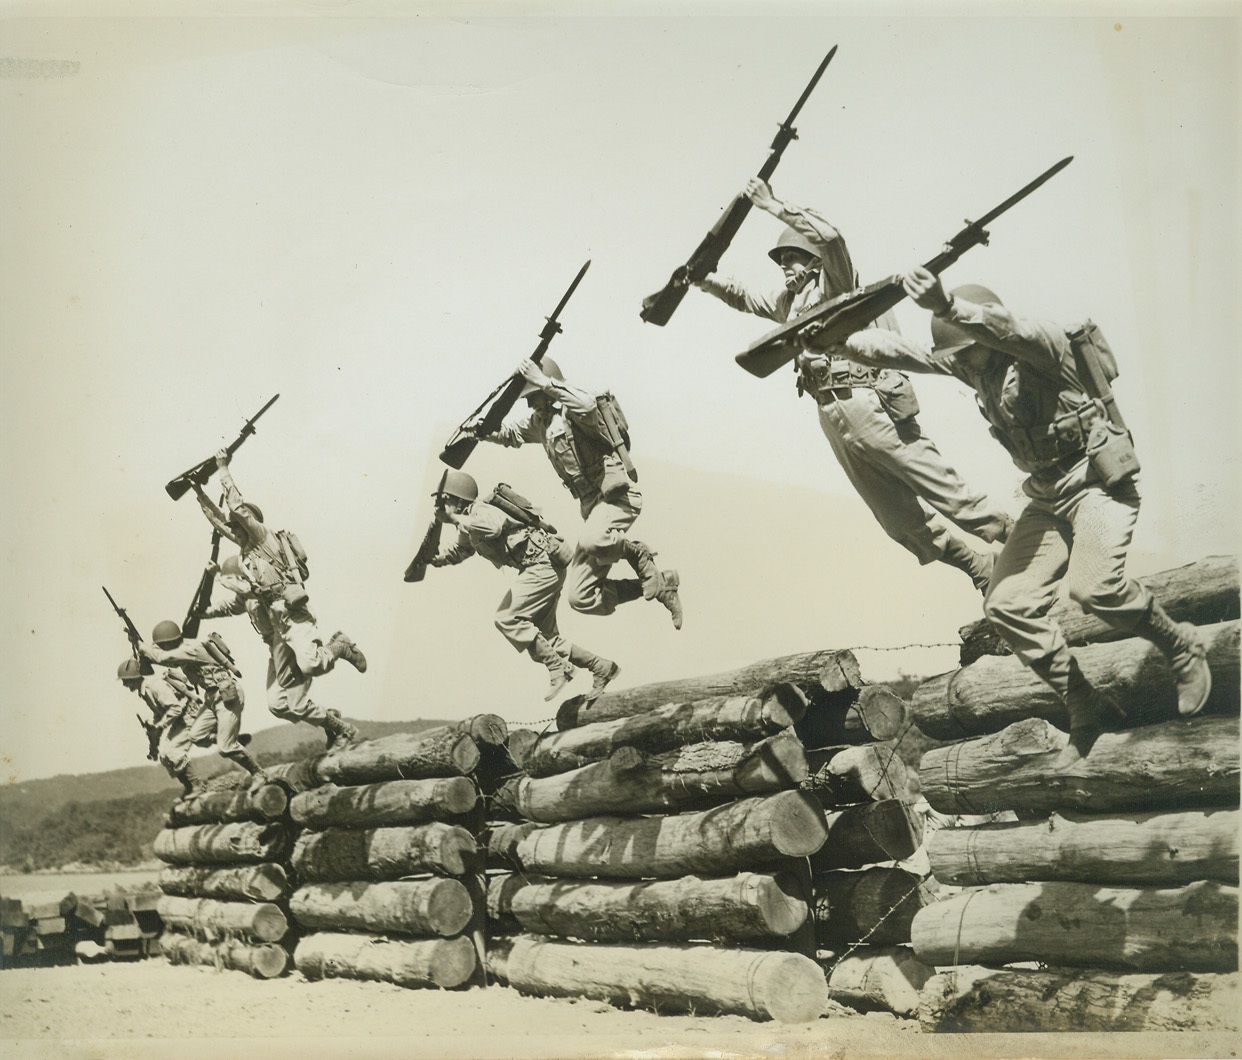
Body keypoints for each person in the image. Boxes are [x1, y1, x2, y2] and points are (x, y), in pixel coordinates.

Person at [821, 265, 1212, 767]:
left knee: (1094, 589)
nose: (965, 364)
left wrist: (946, 306)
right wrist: (837, 342)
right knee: (1006, 605)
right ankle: (1085, 703)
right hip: (1047, 498)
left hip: (1095, 484)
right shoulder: (972, 362)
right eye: (958, 356)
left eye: (968, 350)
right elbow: (902, 353)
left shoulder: (1042, 347)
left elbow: (1004, 329)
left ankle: (1182, 648)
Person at [692, 178, 1013, 592]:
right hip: (832, 414)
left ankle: (1033, 546)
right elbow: (743, 296)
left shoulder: (837, 284)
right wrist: (702, 279)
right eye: (782, 259)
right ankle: (981, 569)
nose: (785, 266)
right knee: (900, 522)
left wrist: (773, 205)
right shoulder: (790, 303)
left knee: (952, 496)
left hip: (872, 404)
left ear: (811, 260)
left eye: (792, 257)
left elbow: (832, 239)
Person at [472, 356, 683, 628]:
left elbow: (588, 403)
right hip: (592, 508)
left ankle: (637, 553)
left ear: (548, 392)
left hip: (617, 498)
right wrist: (481, 431)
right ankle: (664, 584)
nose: (530, 403)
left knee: (594, 540)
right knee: (581, 597)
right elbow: (511, 434)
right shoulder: (541, 423)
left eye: (533, 395)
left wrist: (543, 381)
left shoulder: (573, 412)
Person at [428, 470, 619, 704]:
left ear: (458, 499)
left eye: (444, 500)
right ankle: (601, 667)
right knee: (548, 639)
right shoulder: (467, 523)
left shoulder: (480, 511)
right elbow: (463, 549)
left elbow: (493, 528)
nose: (441, 506)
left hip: (542, 565)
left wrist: (455, 519)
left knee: (507, 617)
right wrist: (439, 558)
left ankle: (559, 669)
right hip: (539, 567)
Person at [197, 553, 361, 753]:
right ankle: (330, 718)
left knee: (298, 704)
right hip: (276, 649)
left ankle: (344, 730)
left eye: (234, 579)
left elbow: (251, 592)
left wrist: (219, 577)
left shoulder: (261, 589)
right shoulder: (245, 597)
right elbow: (229, 606)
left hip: (289, 642)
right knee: (277, 705)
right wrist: (204, 613)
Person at [136, 621, 269, 785]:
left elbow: (163, 658)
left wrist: (141, 647)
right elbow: (164, 658)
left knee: (225, 748)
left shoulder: (190, 649)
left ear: (170, 641)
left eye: (163, 644)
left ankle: (258, 773)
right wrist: (139, 643)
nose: (162, 648)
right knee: (196, 736)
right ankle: (230, 739)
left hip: (226, 694)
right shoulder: (183, 651)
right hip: (211, 697)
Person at [117, 656, 214, 795]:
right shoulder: (145, 691)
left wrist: (160, 726)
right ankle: (190, 787)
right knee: (164, 756)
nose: (125, 685)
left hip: (189, 718)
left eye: (125, 681)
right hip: (180, 721)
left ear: (133, 677)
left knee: (174, 753)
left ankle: (197, 785)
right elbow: (160, 712)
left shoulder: (155, 686)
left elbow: (176, 708)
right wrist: (154, 726)